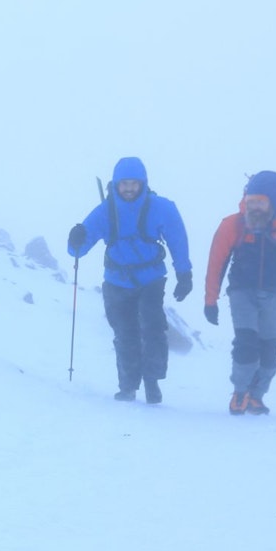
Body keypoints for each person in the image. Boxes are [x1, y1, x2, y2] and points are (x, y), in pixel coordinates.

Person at [68, 157, 193, 404]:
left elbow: (178, 239)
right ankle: (127, 386)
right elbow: (78, 250)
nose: (128, 188)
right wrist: (75, 239)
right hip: (116, 281)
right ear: (115, 184)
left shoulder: (161, 207)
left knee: (153, 327)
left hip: (151, 279)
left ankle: (152, 381)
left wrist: (184, 273)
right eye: (123, 183)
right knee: (124, 333)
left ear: (143, 183)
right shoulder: (105, 211)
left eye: (133, 183)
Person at [203, 171, 276, 415]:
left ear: (274, 201)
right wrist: (210, 301)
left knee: (270, 349)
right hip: (242, 292)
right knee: (246, 344)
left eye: (260, 202)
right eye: (251, 201)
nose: (254, 207)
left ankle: (256, 396)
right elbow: (216, 264)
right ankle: (240, 392)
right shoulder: (233, 225)